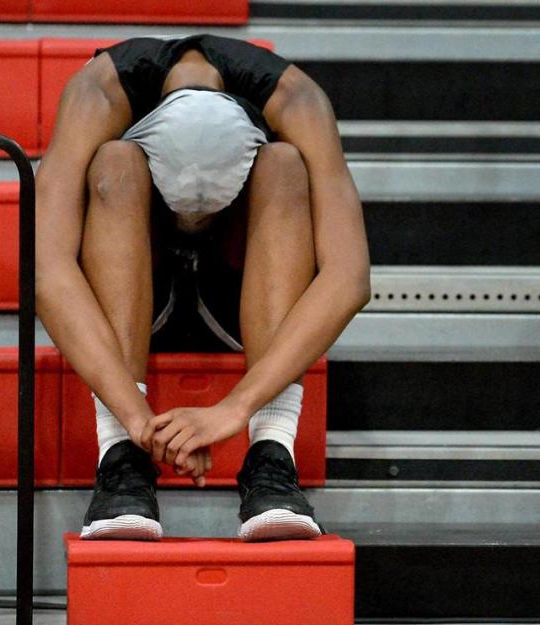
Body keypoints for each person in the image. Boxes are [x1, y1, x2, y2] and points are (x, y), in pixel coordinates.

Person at [35, 34, 370, 541]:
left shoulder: (297, 99)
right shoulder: (98, 90)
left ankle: (271, 453)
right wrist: (137, 419)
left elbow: (350, 278)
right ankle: (120, 457)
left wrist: (235, 409)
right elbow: (43, 267)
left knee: (286, 166)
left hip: (237, 294)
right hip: (135, 286)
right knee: (112, 163)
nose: (194, 217)